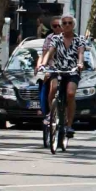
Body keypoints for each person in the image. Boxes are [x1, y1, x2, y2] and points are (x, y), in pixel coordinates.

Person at [34, 14, 84, 151]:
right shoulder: (56, 39)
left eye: (69, 23)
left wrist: (80, 64)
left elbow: (80, 54)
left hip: (72, 71)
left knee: (70, 93)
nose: (67, 25)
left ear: (73, 25)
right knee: (54, 87)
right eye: (64, 23)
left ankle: (69, 124)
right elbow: (49, 52)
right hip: (57, 69)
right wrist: (43, 64)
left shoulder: (79, 39)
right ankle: (52, 113)